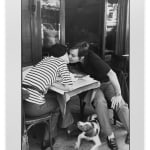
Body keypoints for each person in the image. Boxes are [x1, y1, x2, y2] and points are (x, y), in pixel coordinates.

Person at [68, 41, 129, 150]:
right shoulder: (73, 62)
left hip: (106, 83)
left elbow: (112, 74)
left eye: (72, 55)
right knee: (100, 103)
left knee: (120, 104)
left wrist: (118, 94)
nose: (69, 56)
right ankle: (110, 136)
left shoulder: (93, 58)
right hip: (94, 86)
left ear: (82, 57)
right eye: (69, 54)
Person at [22, 44, 74, 150]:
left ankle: (67, 125)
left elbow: (45, 77)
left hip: (22, 104)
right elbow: (68, 87)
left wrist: (50, 83)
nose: (68, 56)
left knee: (53, 97)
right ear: (64, 54)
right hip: (33, 107)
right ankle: (48, 140)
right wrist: (53, 84)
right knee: (59, 103)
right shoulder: (61, 63)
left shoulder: (44, 60)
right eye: (67, 53)